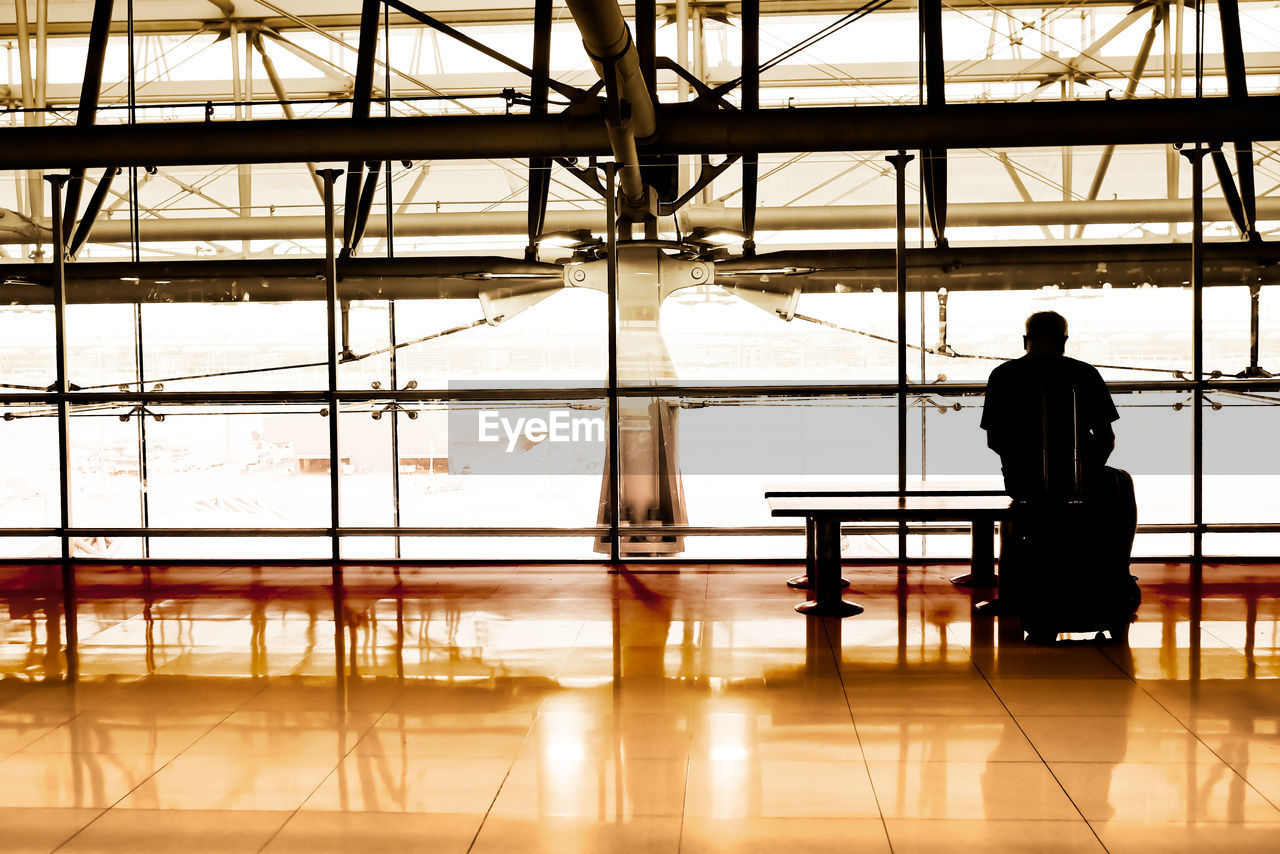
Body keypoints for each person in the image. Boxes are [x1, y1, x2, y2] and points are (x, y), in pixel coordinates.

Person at [980, 311, 1138, 632]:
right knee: (1120, 483)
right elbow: (1105, 437)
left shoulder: (1003, 376)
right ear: (1064, 340)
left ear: (1025, 339)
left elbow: (996, 439)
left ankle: (1014, 593)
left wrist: (1021, 467)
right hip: (1078, 481)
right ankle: (1110, 578)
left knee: (1023, 517)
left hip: (1024, 483)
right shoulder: (1084, 374)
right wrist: (1085, 472)